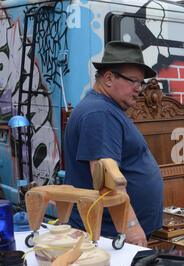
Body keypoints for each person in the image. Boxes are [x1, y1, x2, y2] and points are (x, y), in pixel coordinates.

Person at [64, 41, 164, 247]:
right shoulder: (99, 113)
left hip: (113, 233)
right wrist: (131, 226)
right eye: (134, 82)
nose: (140, 89)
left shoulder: (103, 108)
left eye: (141, 83)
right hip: (112, 235)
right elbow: (106, 178)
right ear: (109, 78)